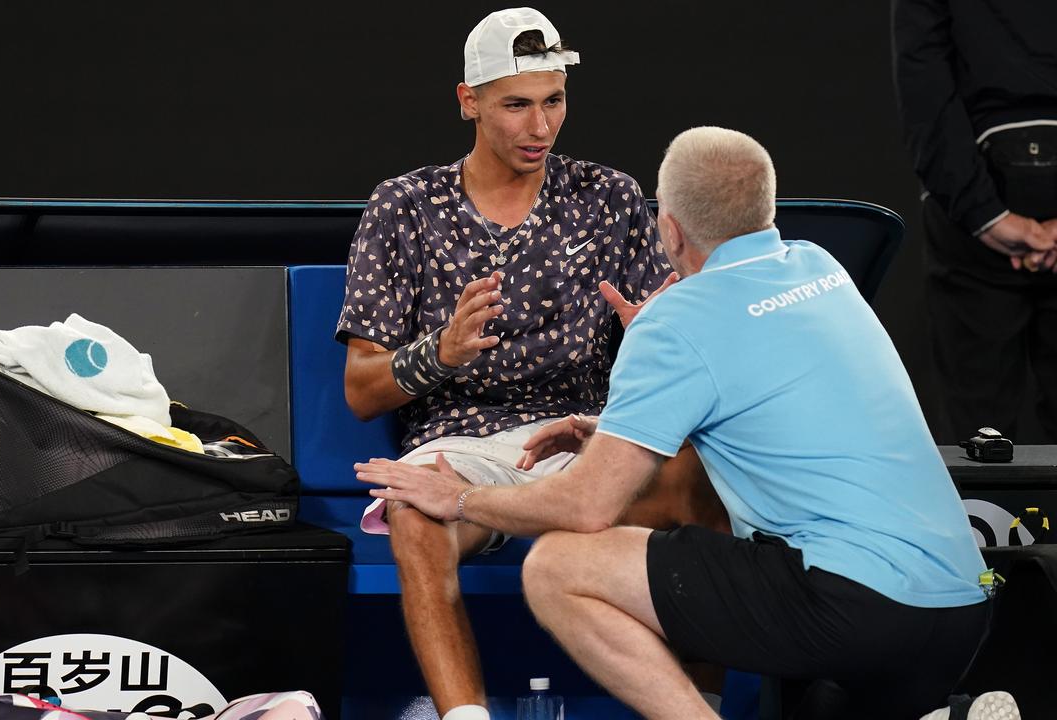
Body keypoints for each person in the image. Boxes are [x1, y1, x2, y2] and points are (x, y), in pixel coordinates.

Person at [357, 127, 1017, 720]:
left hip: (846, 608)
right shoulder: (820, 267)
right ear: (768, 208)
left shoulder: (678, 320)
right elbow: (760, 398)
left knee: (558, 564)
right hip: (962, 607)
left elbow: (589, 507)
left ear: (668, 230)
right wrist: (608, 424)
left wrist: (461, 496)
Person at [335, 8, 727, 720]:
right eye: (517, 105)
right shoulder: (403, 205)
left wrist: (654, 340)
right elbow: (362, 391)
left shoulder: (609, 197)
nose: (540, 127)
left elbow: (680, 352)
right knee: (412, 514)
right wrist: (440, 353)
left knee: (709, 480)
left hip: (586, 440)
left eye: (554, 102)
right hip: (461, 445)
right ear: (469, 101)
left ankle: (700, 706)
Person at [893, 0, 1057, 443]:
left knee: (981, 434)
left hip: (971, 208)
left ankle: (989, 515)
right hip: (974, 211)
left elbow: (922, 80)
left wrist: (987, 215)